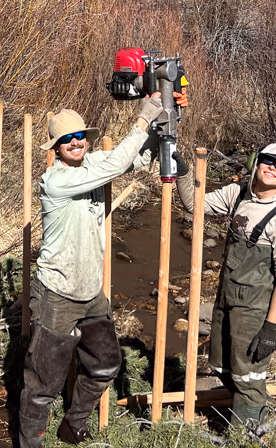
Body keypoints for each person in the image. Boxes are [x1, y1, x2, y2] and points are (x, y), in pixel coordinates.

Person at [18, 90, 185, 447]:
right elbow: (117, 164)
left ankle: (73, 423)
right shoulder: (56, 181)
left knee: (106, 364)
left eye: (79, 136)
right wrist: (142, 118)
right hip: (58, 292)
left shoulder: (93, 164)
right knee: (43, 383)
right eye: (67, 139)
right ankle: (30, 442)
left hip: (91, 293)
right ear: (56, 147)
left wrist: (166, 119)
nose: (75, 143)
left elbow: (137, 157)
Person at [180, 142, 276, 433]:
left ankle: (244, 435)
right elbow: (195, 204)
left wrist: (270, 329)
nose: (273, 168)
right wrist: (183, 172)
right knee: (221, 364)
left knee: (248, 377)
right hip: (226, 298)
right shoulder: (236, 194)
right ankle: (257, 413)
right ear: (255, 162)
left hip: (254, 309)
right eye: (269, 161)